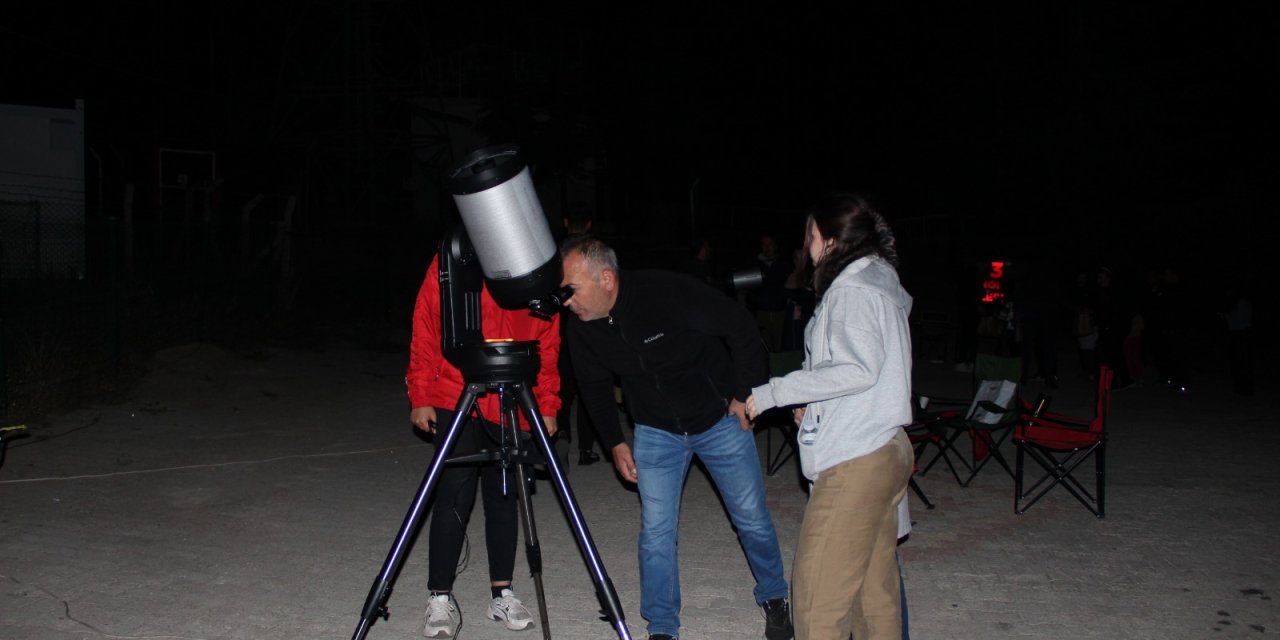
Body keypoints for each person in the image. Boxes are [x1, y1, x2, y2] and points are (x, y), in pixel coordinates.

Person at [558, 235, 793, 640]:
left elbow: (739, 326)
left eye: (573, 290)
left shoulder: (665, 291)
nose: (567, 301)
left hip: (718, 419)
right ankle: (662, 625)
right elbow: (592, 385)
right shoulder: (582, 326)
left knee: (751, 519)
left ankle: (774, 597)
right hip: (655, 430)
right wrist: (615, 441)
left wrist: (745, 393)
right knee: (656, 533)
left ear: (606, 279)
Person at [745, 192, 914, 640]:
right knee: (872, 598)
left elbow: (857, 368)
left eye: (812, 236)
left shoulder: (853, 289)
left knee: (818, 604)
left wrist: (776, 392)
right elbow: (867, 372)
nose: (807, 247)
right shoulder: (881, 281)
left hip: (857, 458)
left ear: (834, 240)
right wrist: (817, 405)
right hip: (885, 447)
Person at [406, 253, 562, 639]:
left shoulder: (529, 260)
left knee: (504, 496)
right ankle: (439, 597)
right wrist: (421, 392)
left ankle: (502, 593)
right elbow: (426, 323)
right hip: (455, 390)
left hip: (512, 391)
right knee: (452, 495)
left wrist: (547, 404)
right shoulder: (454, 258)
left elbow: (548, 342)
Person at [557, 205, 602, 465]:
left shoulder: (555, 252)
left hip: (560, 330)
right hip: (588, 327)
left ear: (565, 222)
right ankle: (586, 449)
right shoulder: (595, 252)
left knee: (563, 390)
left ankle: (561, 435)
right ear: (588, 225)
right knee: (589, 388)